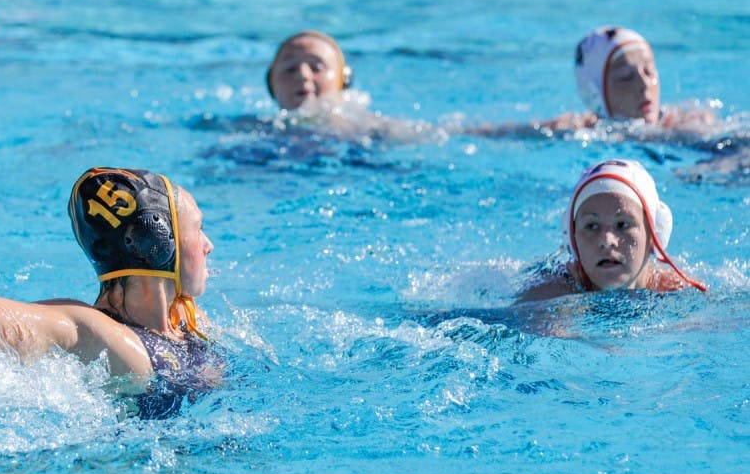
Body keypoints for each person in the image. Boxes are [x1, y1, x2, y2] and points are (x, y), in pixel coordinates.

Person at [0, 130, 222, 418]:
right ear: (157, 241)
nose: (208, 245)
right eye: (198, 229)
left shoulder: (187, 320)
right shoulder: (100, 336)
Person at [468, 26, 718, 138]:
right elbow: (513, 132)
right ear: (595, 93)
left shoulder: (692, 122)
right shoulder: (581, 131)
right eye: (625, 77)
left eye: (649, 71)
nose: (644, 86)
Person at [518, 159, 706, 301]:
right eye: (591, 226)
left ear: (654, 236)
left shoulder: (678, 292)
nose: (607, 240)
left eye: (623, 225)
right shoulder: (553, 292)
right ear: (572, 240)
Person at [264, 30, 437, 143]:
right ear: (272, 85)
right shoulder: (257, 129)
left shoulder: (367, 127)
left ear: (343, 80)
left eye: (317, 67)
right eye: (289, 69)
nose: (303, 75)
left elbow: (431, 133)